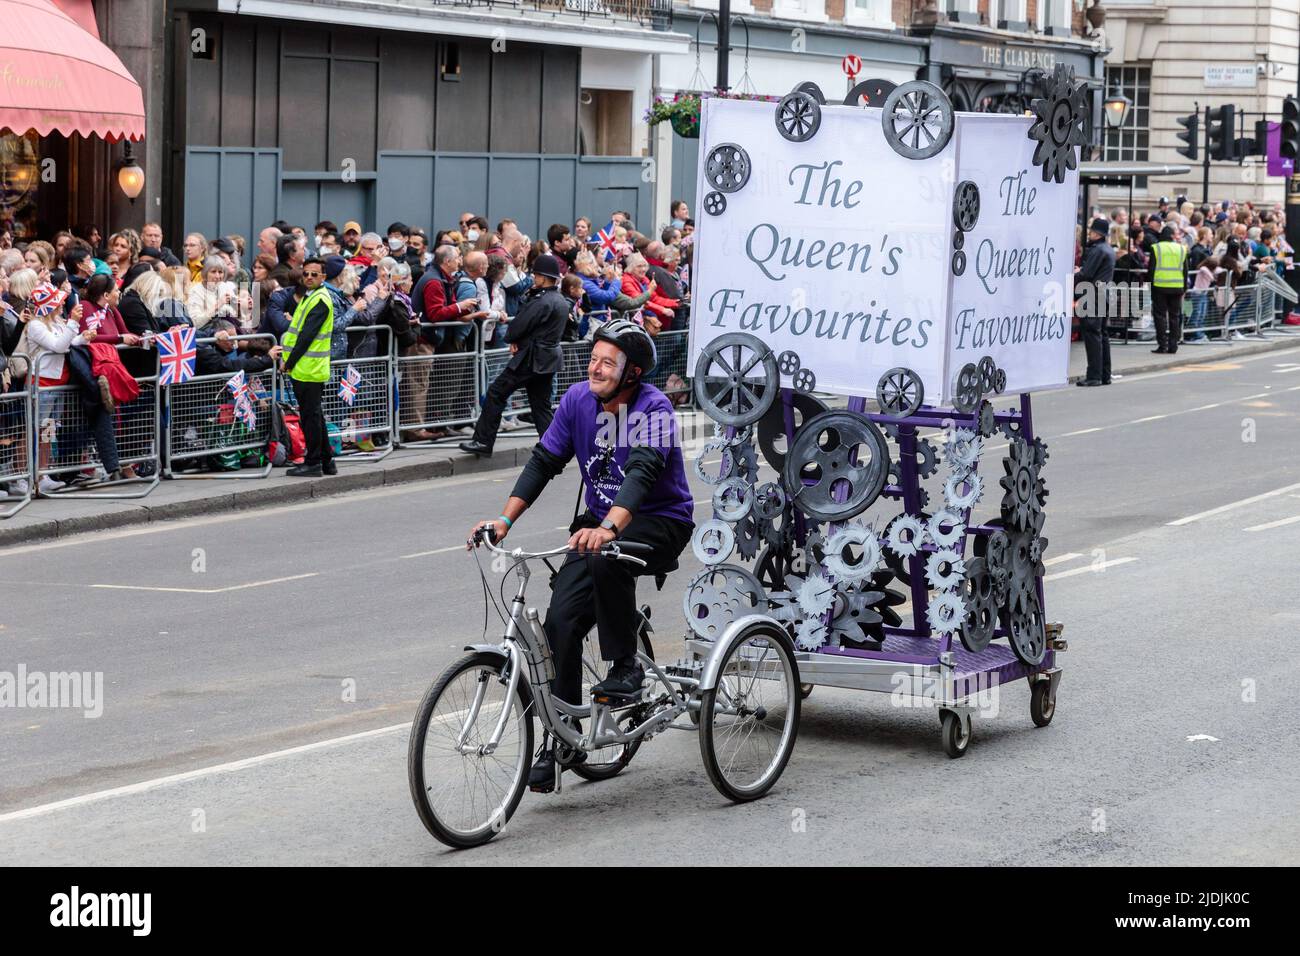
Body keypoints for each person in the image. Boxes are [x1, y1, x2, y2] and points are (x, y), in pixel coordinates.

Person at [466, 319, 693, 792]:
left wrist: (609, 526)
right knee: (558, 627)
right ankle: (560, 742)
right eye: (593, 358)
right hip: (600, 526)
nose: (596, 367)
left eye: (608, 362)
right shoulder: (575, 401)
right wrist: (503, 521)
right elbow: (544, 462)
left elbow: (644, 472)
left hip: (660, 520)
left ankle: (625, 665)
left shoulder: (654, 409)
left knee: (606, 556)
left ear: (632, 372)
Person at [459, 254, 568, 456]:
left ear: (544, 278)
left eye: (536, 275)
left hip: (530, 359)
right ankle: (555, 447)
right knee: (540, 406)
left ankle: (483, 441)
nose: (533, 278)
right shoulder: (559, 300)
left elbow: (518, 326)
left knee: (496, 393)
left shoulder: (541, 301)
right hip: (547, 359)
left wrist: (514, 339)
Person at [280, 256, 340, 477]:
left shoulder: (320, 299)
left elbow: (306, 337)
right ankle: (326, 461)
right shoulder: (311, 296)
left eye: (314, 274)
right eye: (306, 273)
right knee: (315, 416)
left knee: (310, 417)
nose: (309, 277)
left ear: (324, 277)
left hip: (309, 368)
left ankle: (313, 462)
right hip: (307, 368)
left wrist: (288, 362)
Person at [1074, 218, 1115, 387]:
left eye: (1091, 231)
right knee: (1102, 335)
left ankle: (1094, 376)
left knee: (1092, 335)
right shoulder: (1108, 250)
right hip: (1104, 294)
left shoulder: (1097, 250)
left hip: (1092, 294)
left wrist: (1076, 273)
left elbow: (1087, 274)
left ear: (1097, 233)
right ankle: (1105, 374)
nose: (1089, 233)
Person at [1150, 225, 1188, 354]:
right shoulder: (1182, 249)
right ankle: (1173, 345)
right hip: (1177, 286)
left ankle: (1162, 345)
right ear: (1172, 236)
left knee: (1160, 316)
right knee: (1175, 317)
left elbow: (1151, 269)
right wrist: (1184, 288)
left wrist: (1151, 285)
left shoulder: (1156, 248)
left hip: (1159, 286)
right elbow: (1185, 271)